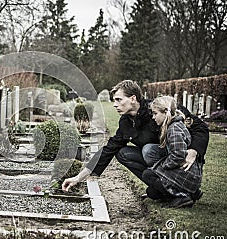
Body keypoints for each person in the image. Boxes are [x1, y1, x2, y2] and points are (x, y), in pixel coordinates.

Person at [62, 80, 209, 204]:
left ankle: (180, 189)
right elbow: (108, 150)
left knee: (148, 150)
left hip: (181, 161)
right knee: (122, 153)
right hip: (162, 160)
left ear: (133, 98)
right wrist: (78, 177)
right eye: (114, 101)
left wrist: (194, 151)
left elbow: (201, 127)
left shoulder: (160, 107)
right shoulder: (126, 122)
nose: (115, 104)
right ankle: (162, 188)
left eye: (119, 100)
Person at [142, 96, 202, 208]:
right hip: (188, 173)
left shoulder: (174, 129)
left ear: (165, 112)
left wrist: (163, 166)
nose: (153, 117)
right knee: (152, 192)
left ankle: (183, 196)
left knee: (148, 175)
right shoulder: (174, 125)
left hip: (187, 174)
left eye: (155, 114)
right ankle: (186, 193)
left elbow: (178, 155)